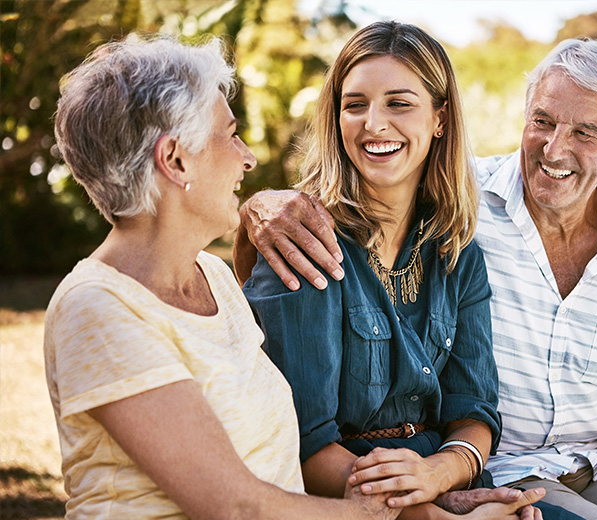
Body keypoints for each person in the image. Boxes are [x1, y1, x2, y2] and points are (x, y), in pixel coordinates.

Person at [234, 37, 597, 520]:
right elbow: (302, 437)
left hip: (565, 465)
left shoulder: (459, 235)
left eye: (585, 132)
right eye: (543, 122)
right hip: (492, 472)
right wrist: (256, 207)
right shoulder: (447, 204)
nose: (555, 149)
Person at [45, 33, 399, 520]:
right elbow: (235, 506)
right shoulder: (96, 308)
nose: (247, 156)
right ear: (175, 160)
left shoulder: (212, 275)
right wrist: (370, 513)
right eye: (230, 135)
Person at [240, 21, 575, 520]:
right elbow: (304, 446)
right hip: (349, 500)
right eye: (355, 105)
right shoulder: (305, 240)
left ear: (440, 118)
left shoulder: (457, 254)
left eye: (398, 103)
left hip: (446, 482)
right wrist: (428, 511)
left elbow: (474, 410)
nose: (374, 124)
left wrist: (442, 476)